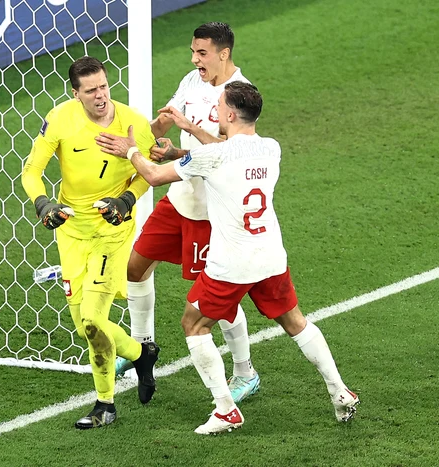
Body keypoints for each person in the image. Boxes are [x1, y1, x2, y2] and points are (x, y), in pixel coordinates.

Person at [97, 82, 360, 434]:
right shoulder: (270, 148)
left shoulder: (214, 155)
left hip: (232, 263)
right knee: (296, 322)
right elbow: (227, 153)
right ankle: (340, 391)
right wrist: (185, 143)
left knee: (194, 324)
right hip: (270, 257)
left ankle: (225, 409)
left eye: (219, 107)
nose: (216, 112)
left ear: (231, 114)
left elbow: (154, 175)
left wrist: (131, 151)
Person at [113, 22, 262, 404]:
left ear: (223, 53)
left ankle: (245, 371)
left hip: (211, 213)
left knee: (215, 303)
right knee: (135, 266)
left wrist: (186, 135)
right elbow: (165, 121)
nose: (195, 60)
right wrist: (146, 139)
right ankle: (141, 347)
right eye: (193, 52)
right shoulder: (191, 82)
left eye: (202, 53)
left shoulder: (238, 96)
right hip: (180, 196)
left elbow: (229, 151)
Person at [21, 56, 160, 430]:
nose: (100, 96)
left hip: (111, 233)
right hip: (71, 232)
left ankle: (106, 404)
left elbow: (149, 173)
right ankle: (140, 353)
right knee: (85, 327)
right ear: (76, 93)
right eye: (91, 90)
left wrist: (127, 200)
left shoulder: (133, 124)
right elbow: (31, 171)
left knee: (94, 321)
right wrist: (43, 203)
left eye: (103, 86)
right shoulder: (61, 118)